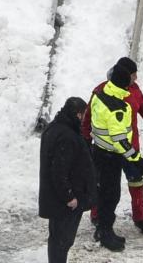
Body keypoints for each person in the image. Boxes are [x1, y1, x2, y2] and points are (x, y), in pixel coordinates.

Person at [81, 56, 143, 238]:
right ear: (125, 75)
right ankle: (98, 216)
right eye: (134, 74)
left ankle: (140, 218)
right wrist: (86, 142)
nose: (136, 78)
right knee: (104, 186)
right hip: (108, 151)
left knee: (136, 182)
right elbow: (88, 118)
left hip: (130, 149)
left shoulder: (134, 90)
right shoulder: (102, 91)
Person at [39, 97, 97, 263]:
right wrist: (69, 196)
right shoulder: (67, 136)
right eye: (84, 115)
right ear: (78, 114)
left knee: (58, 239)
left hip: (56, 198)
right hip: (65, 202)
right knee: (62, 241)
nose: (85, 119)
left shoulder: (54, 128)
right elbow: (59, 171)